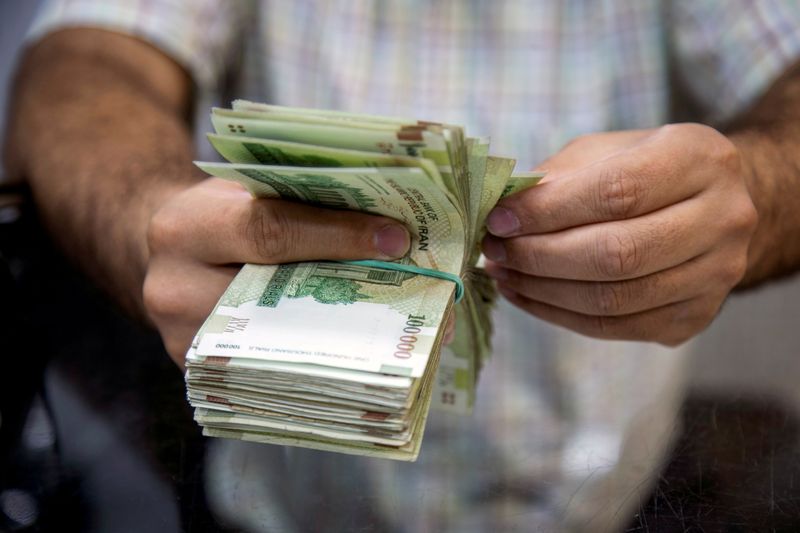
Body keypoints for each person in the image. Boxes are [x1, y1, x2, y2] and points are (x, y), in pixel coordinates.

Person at [4, 0, 800, 530]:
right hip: (272, 509)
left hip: (600, 508)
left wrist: (756, 188)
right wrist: (148, 215)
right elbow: (85, 59)